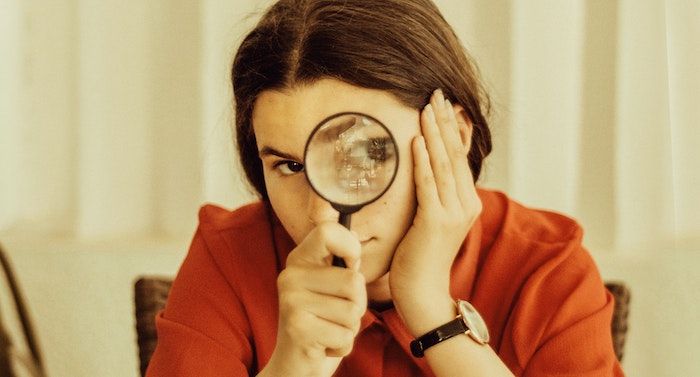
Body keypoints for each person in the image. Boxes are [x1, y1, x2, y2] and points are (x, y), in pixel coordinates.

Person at [147, 0, 624, 376]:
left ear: (454, 137)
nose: (322, 213)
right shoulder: (230, 256)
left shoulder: (545, 267)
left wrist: (432, 311)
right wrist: (294, 368)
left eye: (365, 154)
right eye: (290, 166)